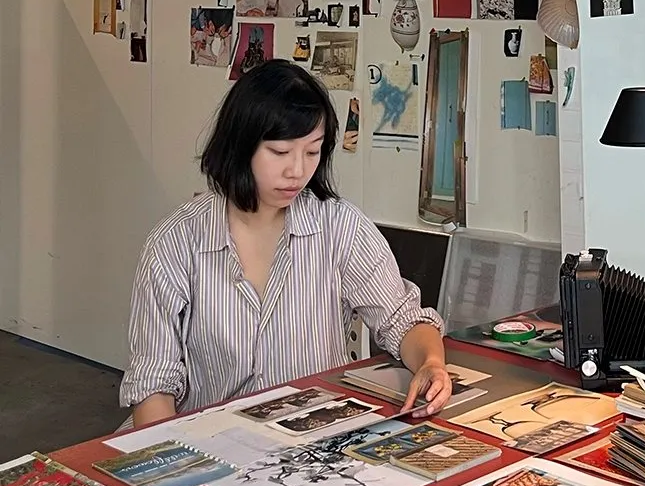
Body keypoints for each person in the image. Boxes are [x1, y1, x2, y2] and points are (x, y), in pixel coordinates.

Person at [119, 59, 452, 429]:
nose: (297, 171)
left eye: (312, 152)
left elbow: (402, 321)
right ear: (239, 145)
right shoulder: (176, 243)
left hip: (317, 436)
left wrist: (430, 363)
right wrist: (168, 466)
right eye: (280, 152)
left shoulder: (339, 227)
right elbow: (153, 386)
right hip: (213, 441)